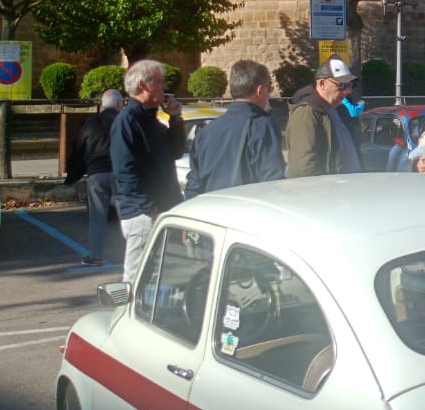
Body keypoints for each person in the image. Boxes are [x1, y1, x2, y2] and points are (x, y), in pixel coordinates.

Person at [110, 60, 186, 284]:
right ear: (144, 85)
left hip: (156, 210)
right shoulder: (128, 121)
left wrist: (175, 118)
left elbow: (175, 151)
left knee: (153, 278)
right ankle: (125, 315)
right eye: (160, 82)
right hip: (142, 214)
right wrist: (146, 207)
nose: (165, 88)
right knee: (136, 280)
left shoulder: (150, 121)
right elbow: (124, 171)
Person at [183, 59, 285, 198]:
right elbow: (272, 181)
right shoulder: (262, 125)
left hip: (208, 213)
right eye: (269, 89)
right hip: (246, 212)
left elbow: (193, 187)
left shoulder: (205, 131)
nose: (269, 94)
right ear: (260, 90)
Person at [66, 88, 123, 266]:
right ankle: (133, 255)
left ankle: (95, 256)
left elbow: (80, 148)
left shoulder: (91, 122)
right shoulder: (123, 121)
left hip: (96, 173)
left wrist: (73, 175)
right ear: (120, 104)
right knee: (127, 215)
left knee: (97, 217)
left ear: (101, 105)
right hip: (120, 172)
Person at [285, 58, 364, 176]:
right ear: (322, 84)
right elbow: (305, 166)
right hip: (327, 191)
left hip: (345, 188)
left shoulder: (337, 108)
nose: (347, 91)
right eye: (342, 85)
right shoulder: (307, 112)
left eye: (350, 85)